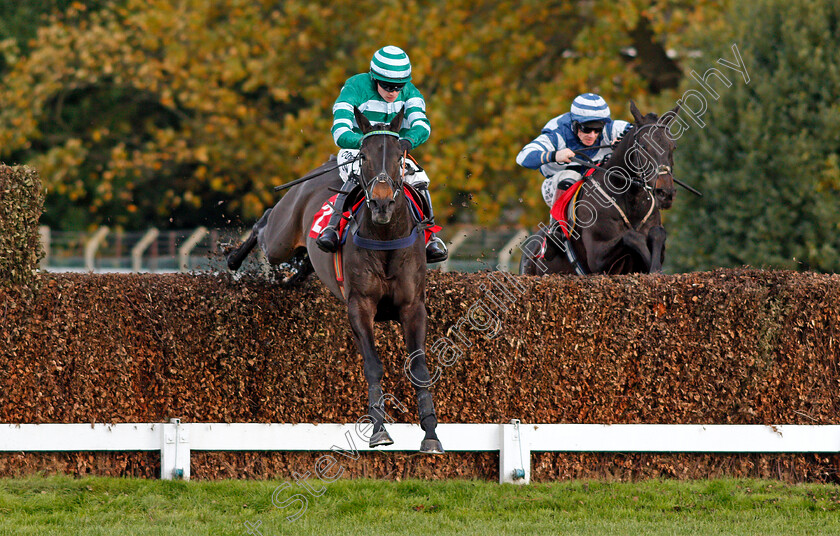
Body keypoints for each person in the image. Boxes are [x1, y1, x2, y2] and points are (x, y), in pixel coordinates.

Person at [315, 45, 448, 263]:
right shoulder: (355, 87)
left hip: (393, 154)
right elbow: (339, 130)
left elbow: (422, 126)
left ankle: (430, 237)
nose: (392, 92)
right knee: (357, 173)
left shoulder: (411, 93)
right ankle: (333, 228)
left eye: (398, 86)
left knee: (419, 178)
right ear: (374, 77)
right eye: (386, 85)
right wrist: (364, 142)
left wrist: (409, 140)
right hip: (359, 150)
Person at [516, 93, 631, 211]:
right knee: (570, 176)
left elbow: (644, 134)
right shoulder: (557, 132)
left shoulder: (612, 128)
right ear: (574, 124)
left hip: (596, 184)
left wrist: (625, 142)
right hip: (559, 186)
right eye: (587, 129)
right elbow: (522, 158)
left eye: (597, 129)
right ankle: (558, 226)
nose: (592, 135)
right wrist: (555, 155)